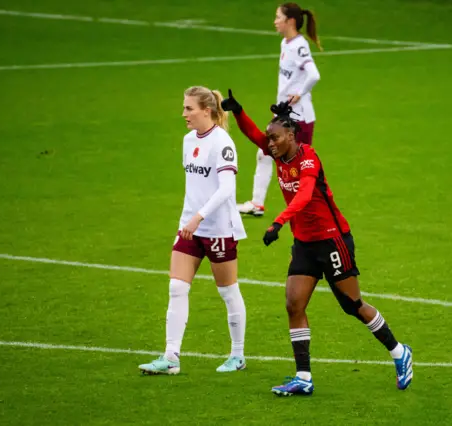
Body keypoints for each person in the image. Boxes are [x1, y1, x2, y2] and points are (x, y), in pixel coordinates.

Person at [222, 90, 413, 396]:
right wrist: (238, 111)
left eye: (275, 138)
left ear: (292, 134)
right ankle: (303, 377)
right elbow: (253, 134)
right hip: (305, 244)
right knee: (293, 303)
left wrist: (278, 221)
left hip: (333, 241)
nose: (269, 144)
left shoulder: (308, 159)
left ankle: (399, 352)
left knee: (353, 306)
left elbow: (305, 194)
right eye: (269, 139)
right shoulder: (277, 152)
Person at [139, 86, 248, 375]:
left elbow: (227, 189)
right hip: (189, 227)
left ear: (207, 111)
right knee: (176, 288)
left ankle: (237, 355)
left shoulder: (222, 143)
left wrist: (199, 217)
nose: (183, 113)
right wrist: (191, 219)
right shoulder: (188, 140)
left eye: (189, 108)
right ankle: (171, 357)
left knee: (228, 291)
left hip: (218, 228)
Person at [237, 2, 322, 217]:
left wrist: (300, 93)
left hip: (299, 117)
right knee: (265, 154)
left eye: (278, 17)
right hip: (284, 115)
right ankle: (257, 204)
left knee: (300, 165)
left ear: (290, 21)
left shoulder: (299, 46)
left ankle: (309, 206)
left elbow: (314, 74)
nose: (275, 21)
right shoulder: (286, 43)